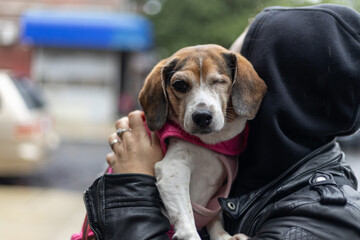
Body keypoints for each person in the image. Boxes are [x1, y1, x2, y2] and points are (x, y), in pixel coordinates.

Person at [78, 4, 360, 240]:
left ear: (279, 88)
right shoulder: (253, 167)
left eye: (227, 81)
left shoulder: (323, 220)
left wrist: (133, 191)